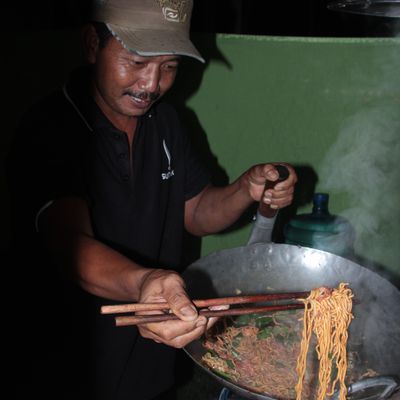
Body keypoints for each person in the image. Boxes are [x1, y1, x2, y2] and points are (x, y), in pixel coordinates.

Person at [6, 1, 297, 399]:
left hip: (153, 351)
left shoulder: (165, 122)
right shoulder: (50, 127)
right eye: (137, 61)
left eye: (170, 67)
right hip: (72, 361)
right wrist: (145, 280)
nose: (151, 84)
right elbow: (67, 243)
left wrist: (245, 189)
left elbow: (195, 212)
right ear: (92, 45)